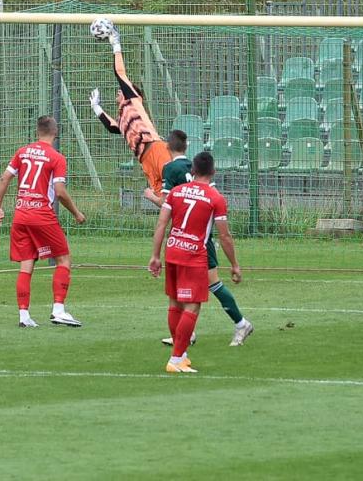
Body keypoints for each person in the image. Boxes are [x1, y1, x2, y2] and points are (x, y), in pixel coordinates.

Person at [149, 129, 253, 347]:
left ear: (167, 147)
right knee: (196, 287)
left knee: (208, 285)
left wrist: (150, 195)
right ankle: (189, 333)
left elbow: (165, 207)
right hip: (193, 237)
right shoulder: (196, 172)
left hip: (194, 241)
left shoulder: (171, 168)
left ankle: (239, 323)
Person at [0, 116, 86, 328]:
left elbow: (4, 178)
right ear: (56, 132)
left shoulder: (22, 152)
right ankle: (58, 310)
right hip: (42, 216)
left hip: (20, 215)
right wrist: (77, 213)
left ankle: (24, 316)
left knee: (26, 264)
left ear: (37, 132)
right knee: (63, 260)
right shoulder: (56, 157)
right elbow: (60, 193)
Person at [89, 22, 171, 198]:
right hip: (145, 160)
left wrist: (115, 44)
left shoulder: (134, 100)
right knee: (162, 200)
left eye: (123, 90)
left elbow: (120, 73)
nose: (119, 91)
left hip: (156, 148)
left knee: (174, 193)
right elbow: (112, 127)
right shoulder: (123, 117)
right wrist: (96, 107)